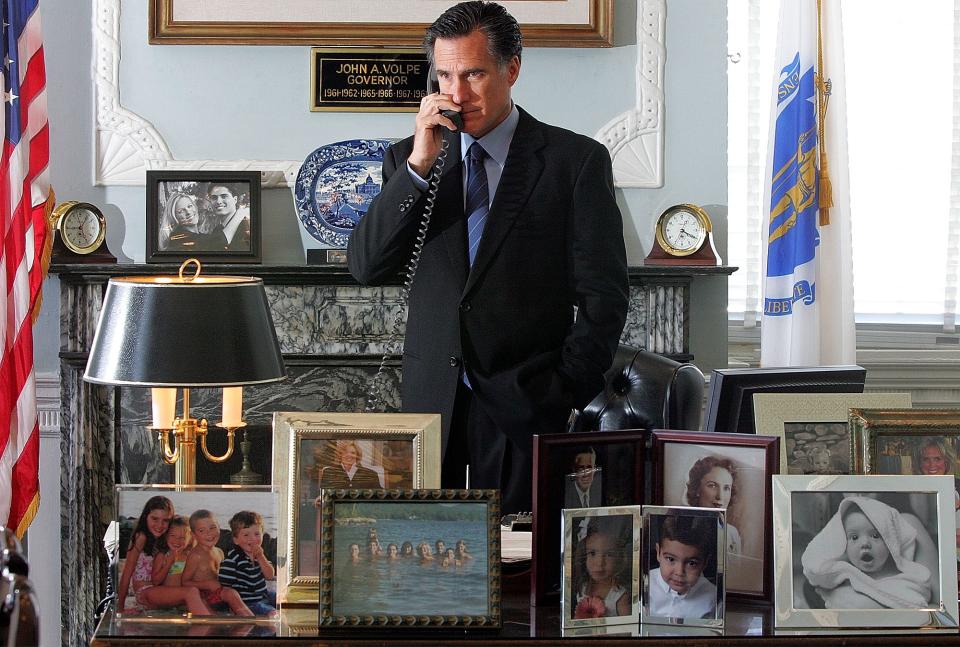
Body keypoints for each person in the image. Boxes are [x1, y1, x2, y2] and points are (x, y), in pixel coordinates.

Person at [346, 0, 629, 514]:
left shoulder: (574, 162)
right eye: (445, 75)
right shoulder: (409, 159)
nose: (457, 94)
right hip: (431, 408)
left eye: (473, 74)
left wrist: (561, 390)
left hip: (526, 406)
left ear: (512, 67)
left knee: (521, 571)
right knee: (430, 567)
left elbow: (603, 296)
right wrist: (418, 163)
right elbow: (367, 266)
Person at [801, 496, 932, 609]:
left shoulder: (904, 577)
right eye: (854, 537)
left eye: (875, 535)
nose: (865, 544)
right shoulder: (843, 575)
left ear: (891, 542)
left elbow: (917, 600)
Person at [117, 496, 211, 615]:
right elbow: (126, 573)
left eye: (165, 520)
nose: (159, 525)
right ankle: (209, 629)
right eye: (154, 519)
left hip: (162, 591)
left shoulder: (166, 538)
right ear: (146, 516)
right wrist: (120, 610)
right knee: (191, 592)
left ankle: (219, 626)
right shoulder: (141, 537)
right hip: (145, 592)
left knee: (200, 596)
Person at [182, 509, 254, 617]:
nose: (209, 533)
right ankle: (249, 619)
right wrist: (206, 584)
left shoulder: (219, 552)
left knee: (237, 590)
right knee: (231, 594)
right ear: (193, 534)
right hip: (204, 596)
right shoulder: (195, 556)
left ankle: (245, 615)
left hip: (219, 594)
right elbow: (185, 582)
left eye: (212, 527)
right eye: (202, 530)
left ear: (219, 526)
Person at [648, 514, 718, 619]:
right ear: (658, 553)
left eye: (691, 563)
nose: (680, 572)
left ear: (705, 562)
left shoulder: (713, 597)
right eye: (671, 559)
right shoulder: (646, 585)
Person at [218, 511, 278, 616]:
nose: (253, 539)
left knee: (282, 598)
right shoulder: (234, 559)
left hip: (262, 595)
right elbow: (224, 584)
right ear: (236, 540)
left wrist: (261, 557)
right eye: (246, 535)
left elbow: (269, 575)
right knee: (271, 613)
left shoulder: (260, 555)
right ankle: (268, 628)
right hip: (248, 602)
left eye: (257, 534)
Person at [572, 516, 630, 619]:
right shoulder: (583, 588)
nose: (600, 563)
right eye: (592, 553)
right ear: (583, 555)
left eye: (608, 554)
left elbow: (628, 630)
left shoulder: (619, 597)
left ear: (619, 558)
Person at [685, 455, 742, 555]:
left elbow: (737, 569)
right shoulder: (683, 528)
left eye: (726, 488)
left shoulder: (732, 533)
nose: (720, 496)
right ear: (697, 488)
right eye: (712, 485)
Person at [205, 183, 251, 251]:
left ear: (235, 200)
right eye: (214, 198)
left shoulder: (247, 225)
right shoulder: (217, 229)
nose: (218, 202)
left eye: (224, 196)